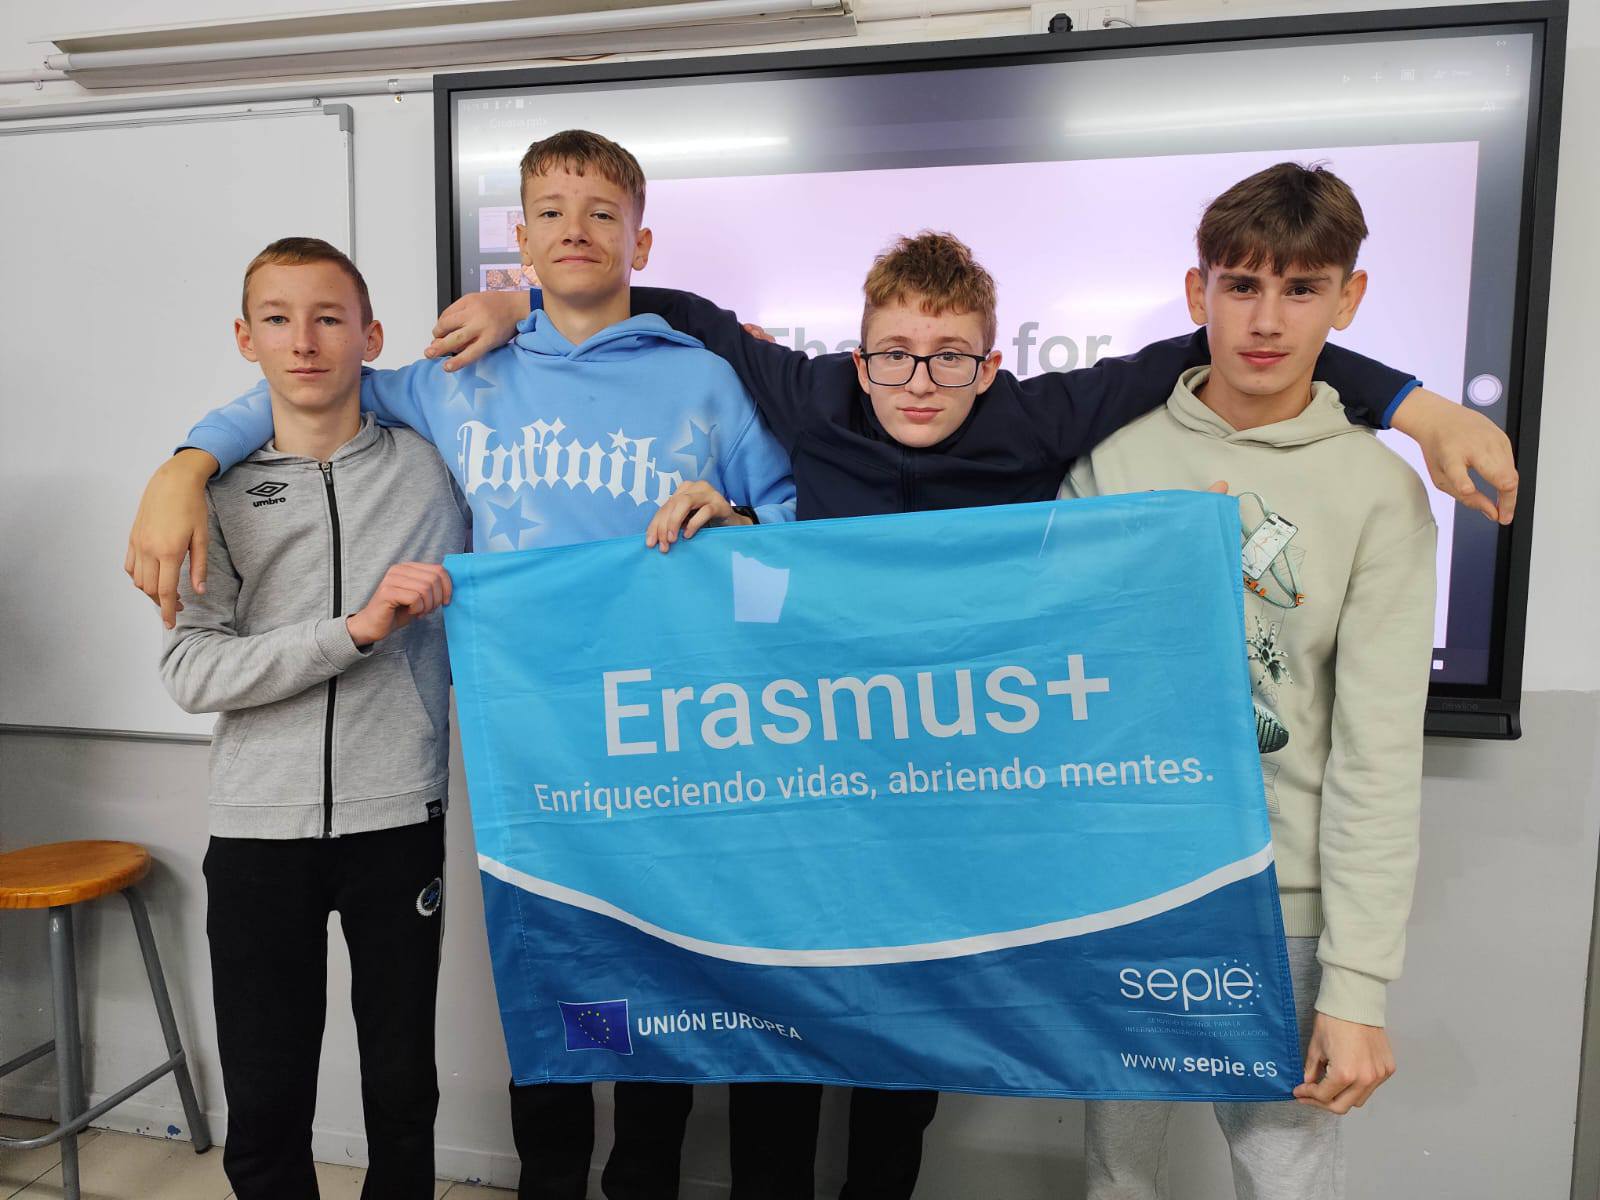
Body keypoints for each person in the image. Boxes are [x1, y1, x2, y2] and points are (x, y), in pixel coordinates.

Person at [437, 224, 1500, 1198]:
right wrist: (521, 308)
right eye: (893, 355)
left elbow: (1235, 337)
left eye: (951, 357)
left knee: (908, 1063)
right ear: (856, 359)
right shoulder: (810, 395)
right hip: (807, 800)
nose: (919, 380)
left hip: (945, 821)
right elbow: (689, 311)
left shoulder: (1041, 419)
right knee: (778, 1054)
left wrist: (1418, 407)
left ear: (992, 365)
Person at [131, 131, 796, 1200]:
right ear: (519, 239)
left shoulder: (707, 379)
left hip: (668, 736)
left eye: (601, 213)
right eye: (550, 213)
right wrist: (185, 463)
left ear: (641, 241)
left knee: (655, 987)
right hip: (521, 747)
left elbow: (791, 536)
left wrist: (739, 520)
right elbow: (310, 383)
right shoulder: (456, 378)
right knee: (551, 992)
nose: (575, 231)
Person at [1063, 161, 1434, 1199]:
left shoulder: (1378, 493)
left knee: (1284, 1171)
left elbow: (1375, 755)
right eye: (1241, 285)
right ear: (1199, 293)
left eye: (1302, 288)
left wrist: (1356, 986)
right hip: (1135, 886)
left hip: (1287, 906)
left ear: (1348, 300)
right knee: (1117, 1176)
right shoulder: (1112, 464)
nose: (1267, 320)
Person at [160, 237, 468, 1200]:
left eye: (329, 318)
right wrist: (352, 632)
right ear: (245, 338)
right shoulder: (212, 495)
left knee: (403, 1093)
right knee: (265, 1099)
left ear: (369, 338)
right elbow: (190, 670)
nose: (304, 341)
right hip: (258, 830)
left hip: (397, 818)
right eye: (279, 319)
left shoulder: (433, 470)